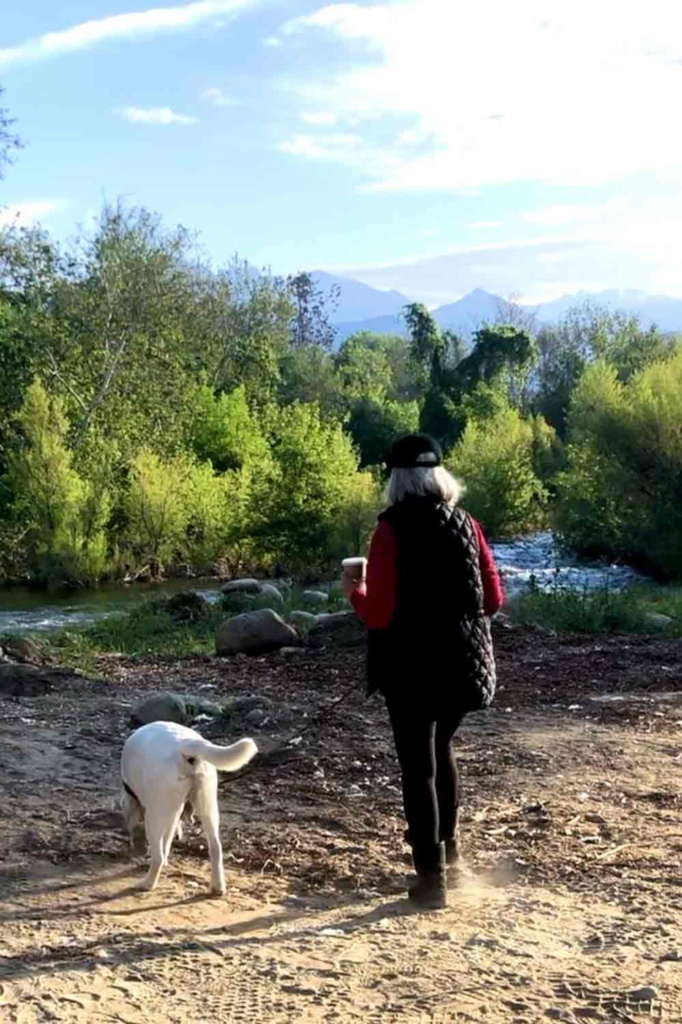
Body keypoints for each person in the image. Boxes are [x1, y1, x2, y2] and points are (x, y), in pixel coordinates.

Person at [342, 433, 504, 910]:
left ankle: (431, 881)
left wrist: (354, 592)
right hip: (463, 665)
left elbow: (379, 614)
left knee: (418, 768)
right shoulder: (467, 524)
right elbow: (493, 600)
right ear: (439, 474)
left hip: (410, 668)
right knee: (441, 750)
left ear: (396, 479)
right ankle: (452, 859)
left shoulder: (390, 529)